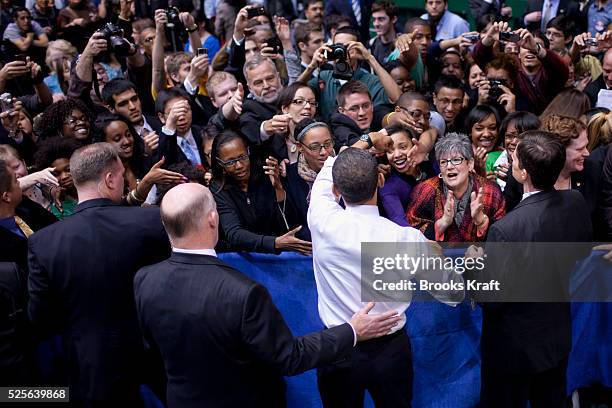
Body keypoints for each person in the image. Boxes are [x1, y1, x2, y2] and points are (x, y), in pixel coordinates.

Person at [134, 181, 399, 407]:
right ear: (213, 219)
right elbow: (289, 357)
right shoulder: (243, 293)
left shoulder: (145, 279)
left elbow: (150, 352)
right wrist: (352, 330)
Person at [308, 129, 464, 407]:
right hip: (389, 353)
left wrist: (369, 139)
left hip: (338, 346)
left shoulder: (321, 220)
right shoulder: (406, 239)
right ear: (380, 180)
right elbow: (452, 293)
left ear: (336, 190)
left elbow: (333, 163)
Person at [27, 143, 171, 406]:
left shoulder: (43, 243)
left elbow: (41, 317)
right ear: (109, 178)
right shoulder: (150, 222)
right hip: (158, 351)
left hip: (92, 364)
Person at [478, 130, 592, 407]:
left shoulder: (506, 229)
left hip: (513, 349)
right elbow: (583, 250)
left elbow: (490, 299)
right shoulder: (575, 201)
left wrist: (474, 266)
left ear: (524, 172)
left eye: (515, 158)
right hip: (555, 337)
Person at [210, 131, 311, 254]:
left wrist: (279, 189)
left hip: (277, 255)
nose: (239, 165)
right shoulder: (218, 187)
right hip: (242, 259)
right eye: (230, 162)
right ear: (220, 163)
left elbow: (289, 225)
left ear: (248, 152)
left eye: (242, 157)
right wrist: (274, 243)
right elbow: (234, 234)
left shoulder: (266, 173)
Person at [407, 133, 505, 242]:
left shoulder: (491, 191)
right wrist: (442, 223)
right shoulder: (425, 190)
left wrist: (481, 221)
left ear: (470, 163)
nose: (449, 167)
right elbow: (411, 231)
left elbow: (501, 236)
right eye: (443, 162)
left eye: (456, 160)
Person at [284, 118, 335, 242]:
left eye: (328, 144)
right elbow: (295, 225)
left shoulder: (344, 169)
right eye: (314, 147)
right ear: (300, 147)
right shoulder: (288, 176)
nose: (324, 152)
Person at [379, 125, 432, 226]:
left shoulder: (430, 166)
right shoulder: (388, 187)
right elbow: (401, 225)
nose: (397, 154)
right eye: (390, 151)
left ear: (414, 145)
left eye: (403, 147)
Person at [268, 82, 318, 164]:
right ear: (285, 108)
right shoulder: (275, 142)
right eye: (299, 101)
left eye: (312, 103)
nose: (308, 106)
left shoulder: (322, 136)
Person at [32, 137, 81, 219]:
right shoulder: (59, 208)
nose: (64, 177)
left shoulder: (98, 188)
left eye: (68, 169)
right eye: (56, 174)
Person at [465, 105, 502, 176]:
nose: (486, 134)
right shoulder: (462, 158)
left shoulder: (506, 156)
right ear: (470, 131)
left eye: (492, 128)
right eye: (479, 129)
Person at [368, 0, 399, 65]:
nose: (376, 24)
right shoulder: (371, 44)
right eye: (374, 19)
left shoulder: (402, 44)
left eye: (381, 19)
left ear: (393, 19)